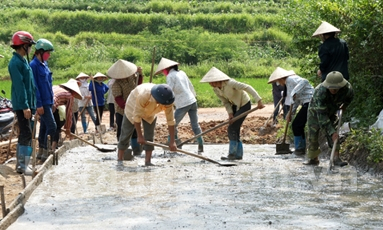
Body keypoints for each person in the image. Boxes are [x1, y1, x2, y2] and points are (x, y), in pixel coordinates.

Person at [200, 67, 265, 160]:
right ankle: (238, 155)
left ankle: (232, 154)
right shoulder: (216, 89)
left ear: (218, 80)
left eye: (212, 81)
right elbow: (225, 102)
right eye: (209, 82)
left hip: (244, 104)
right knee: (235, 129)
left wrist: (258, 100)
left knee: (231, 128)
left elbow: (247, 87)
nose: (211, 84)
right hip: (234, 105)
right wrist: (230, 113)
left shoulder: (230, 83)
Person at [116, 83, 176, 166]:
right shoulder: (144, 95)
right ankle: (120, 159)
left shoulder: (168, 100)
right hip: (133, 107)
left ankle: (148, 161)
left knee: (149, 135)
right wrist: (139, 136)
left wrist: (172, 141)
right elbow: (136, 117)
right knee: (126, 133)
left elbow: (171, 121)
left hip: (150, 112)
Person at [154, 57, 204, 153]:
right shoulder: (182, 73)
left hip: (182, 104)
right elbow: (190, 86)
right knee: (195, 125)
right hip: (192, 101)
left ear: (167, 68)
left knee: (172, 124)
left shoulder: (170, 76)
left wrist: (164, 102)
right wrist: (193, 97)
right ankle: (201, 145)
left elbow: (169, 90)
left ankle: (172, 142)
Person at [304, 71, 354, 166]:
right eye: (331, 88)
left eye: (336, 89)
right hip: (315, 111)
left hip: (333, 109)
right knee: (313, 134)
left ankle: (336, 158)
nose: (333, 90)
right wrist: (331, 132)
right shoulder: (320, 91)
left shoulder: (347, 88)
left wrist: (344, 105)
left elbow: (350, 97)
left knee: (334, 133)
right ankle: (313, 158)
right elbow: (322, 116)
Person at [268, 67, 314, 155]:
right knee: (298, 125)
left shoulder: (289, 80)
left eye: (278, 82)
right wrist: (290, 113)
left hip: (310, 101)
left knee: (296, 125)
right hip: (306, 102)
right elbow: (295, 101)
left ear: (280, 79)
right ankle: (301, 148)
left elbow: (305, 81)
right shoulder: (288, 85)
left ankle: (300, 148)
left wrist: (294, 92)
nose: (279, 84)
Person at [8, 31, 36, 175]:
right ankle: (23, 166)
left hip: (29, 104)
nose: (31, 48)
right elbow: (20, 86)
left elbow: (30, 85)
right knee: (25, 132)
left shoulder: (24, 61)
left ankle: (23, 164)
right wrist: (25, 105)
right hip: (21, 104)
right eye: (29, 45)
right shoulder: (15, 63)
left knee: (27, 132)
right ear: (24, 46)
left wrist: (32, 104)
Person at [108, 59, 143, 156]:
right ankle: (122, 150)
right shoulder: (116, 84)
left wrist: (140, 75)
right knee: (123, 130)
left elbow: (138, 84)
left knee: (135, 129)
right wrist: (128, 107)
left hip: (134, 107)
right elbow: (118, 99)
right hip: (122, 110)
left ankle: (137, 150)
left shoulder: (132, 77)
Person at [30, 38, 57, 160]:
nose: (49, 55)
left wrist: (53, 101)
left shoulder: (45, 65)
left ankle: (41, 152)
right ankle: (45, 149)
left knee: (45, 127)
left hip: (48, 100)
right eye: (47, 53)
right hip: (42, 102)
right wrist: (39, 104)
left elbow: (49, 84)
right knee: (52, 126)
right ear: (40, 52)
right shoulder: (33, 66)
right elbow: (34, 87)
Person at [51, 79, 83, 153]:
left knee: (46, 126)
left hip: (43, 104)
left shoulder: (56, 87)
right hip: (52, 105)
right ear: (74, 91)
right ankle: (52, 148)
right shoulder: (69, 95)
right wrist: (68, 128)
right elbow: (68, 113)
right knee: (57, 127)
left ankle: (43, 149)